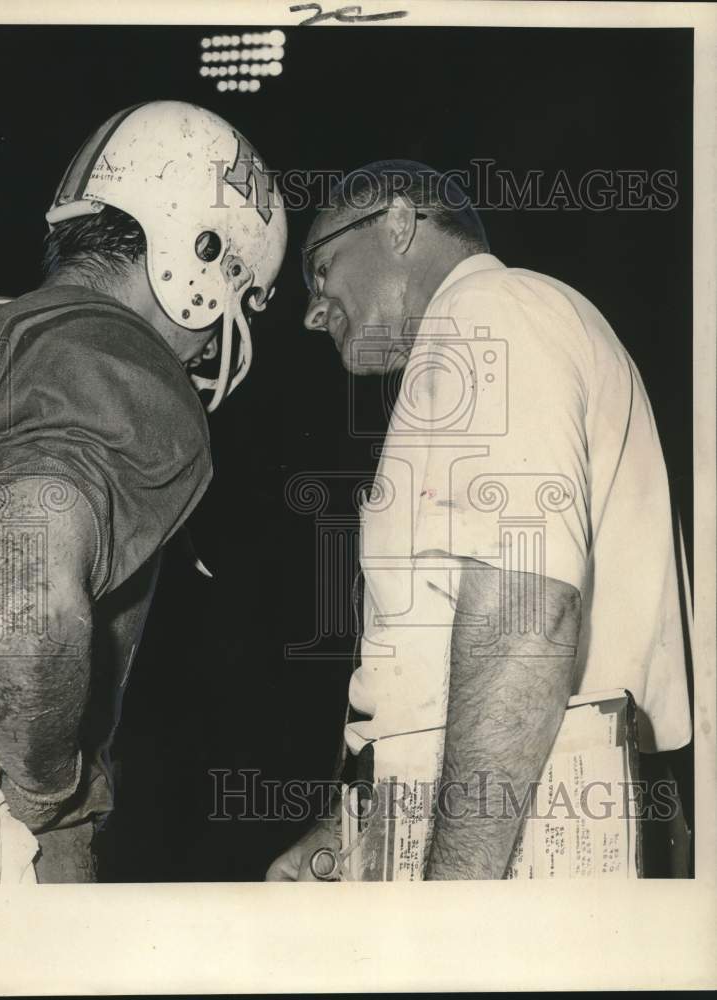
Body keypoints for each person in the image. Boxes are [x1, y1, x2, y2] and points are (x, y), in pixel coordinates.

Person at [266, 160, 691, 881]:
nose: (312, 310)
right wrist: (356, 831)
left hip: (525, 841)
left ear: (399, 222)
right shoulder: (486, 330)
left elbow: (525, 618)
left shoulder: (490, 313)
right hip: (515, 824)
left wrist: (453, 906)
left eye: (321, 267)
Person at [0, 100, 287, 882]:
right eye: (232, 303)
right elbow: (14, 603)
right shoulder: (119, 359)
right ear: (200, 263)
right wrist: (53, 802)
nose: (211, 342)